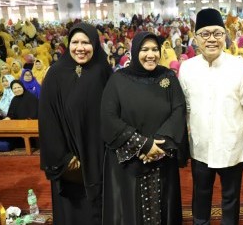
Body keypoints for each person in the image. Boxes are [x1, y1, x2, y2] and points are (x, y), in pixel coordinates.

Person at [178, 8, 243, 225]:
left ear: (225, 36)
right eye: (205, 34)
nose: (211, 39)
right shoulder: (187, 69)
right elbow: (183, 109)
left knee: (231, 199)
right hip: (200, 148)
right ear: (196, 38)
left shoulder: (241, 68)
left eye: (217, 33)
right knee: (200, 196)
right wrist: (182, 144)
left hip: (232, 147)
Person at [100, 31, 189, 224]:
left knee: (163, 207)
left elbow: (178, 110)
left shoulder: (168, 77)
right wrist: (143, 144)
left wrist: (158, 146)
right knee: (131, 210)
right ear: (134, 52)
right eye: (144, 49)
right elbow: (108, 117)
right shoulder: (118, 80)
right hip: (129, 160)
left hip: (162, 156)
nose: (151, 55)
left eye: (155, 49)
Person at [38, 22, 112, 224]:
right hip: (70, 160)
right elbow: (48, 119)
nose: (80, 48)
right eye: (75, 42)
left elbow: (114, 109)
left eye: (86, 42)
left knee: (100, 207)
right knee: (73, 210)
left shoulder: (102, 70)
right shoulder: (55, 74)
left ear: (95, 44)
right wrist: (64, 156)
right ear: (68, 44)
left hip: (99, 154)